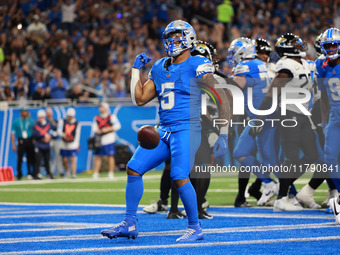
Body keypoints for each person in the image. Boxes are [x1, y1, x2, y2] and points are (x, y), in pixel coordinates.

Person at [101, 20, 229, 242]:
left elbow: (221, 98)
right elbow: (140, 98)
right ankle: (129, 223)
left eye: (177, 36)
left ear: (189, 38)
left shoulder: (198, 63)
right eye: (169, 37)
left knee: (179, 175)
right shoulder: (159, 66)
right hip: (164, 129)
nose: (172, 41)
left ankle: (194, 227)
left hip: (187, 128)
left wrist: (223, 132)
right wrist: (135, 71)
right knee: (133, 168)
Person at [252, 33, 318, 211]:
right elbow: (272, 93)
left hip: (303, 114)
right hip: (289, 114)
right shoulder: (286, 65)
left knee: (312, 155)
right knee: (291, 157)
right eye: (295, 43)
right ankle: (281, 198)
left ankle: (284, 188)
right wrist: (259, 119)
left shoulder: (302, 63)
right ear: (288, 48)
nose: (300, 45)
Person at [227, 37, 279, 207]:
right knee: (240, 152)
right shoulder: (260, 64)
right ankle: (269, 183)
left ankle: (290, 194)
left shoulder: (244, 66)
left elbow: (233, 89)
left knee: (271, 160)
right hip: (261, 117)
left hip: (262, 118)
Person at [316, 27, 340, 223]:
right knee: (329, 158)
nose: (331, 49)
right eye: (327, 46)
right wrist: (324, 121)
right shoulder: (321, 65)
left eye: (334, 45)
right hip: (334, 117)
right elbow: (323, 95)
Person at [92, 102, 121, 179]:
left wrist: (108, 129)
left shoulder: (111, 116)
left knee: (110, 156)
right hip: (100, 139)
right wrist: (98, 130)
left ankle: (111, 172)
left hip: (109, 138)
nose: (100, 108)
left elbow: (118, 126)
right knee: (98, 156)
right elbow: (94, 128)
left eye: (102, 107)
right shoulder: (97, 118)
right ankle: (96, 173)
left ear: (106, 108)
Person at [11, 108, 35, 180]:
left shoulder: (30, 121)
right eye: (23, 111)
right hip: (21, 141)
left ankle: (30, 172)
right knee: (20, 158)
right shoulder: (16, 121)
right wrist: (13, 144)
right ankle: (19, 173)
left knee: (30, 157)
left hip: (29, 140)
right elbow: (12, 133)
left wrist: (34, 141)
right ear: (21, 112)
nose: (25, 113)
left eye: (26, 111)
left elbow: (34, 131)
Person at [58, 107, 80, 178]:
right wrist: (64, 135)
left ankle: (73, 174)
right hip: (64, 143)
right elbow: (59, 131)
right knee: (65, 159)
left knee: (73, 158)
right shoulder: (62, 121)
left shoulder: (77, 123)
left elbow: (77, 134)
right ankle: (67, 172)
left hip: (72, 143)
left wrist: (76, 144)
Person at [32, 109, 53, 179]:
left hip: (46, 146)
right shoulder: (36, 125)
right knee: (37, 161)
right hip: (39, 145)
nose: (41, 118)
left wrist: (49, 137)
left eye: (42, 117)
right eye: (39, 117)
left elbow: (52, 132)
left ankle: (49, 174)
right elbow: (35, 134)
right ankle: (36, 174)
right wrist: (43, 136)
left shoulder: (48, 124)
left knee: (47, 161)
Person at [46, 107, 63, 177]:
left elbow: (59, 128)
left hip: (56, 140)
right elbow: (46, 129)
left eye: (50, 112)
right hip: (48, 140)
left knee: (58, 156)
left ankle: (60, 171)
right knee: (49, 156)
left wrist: (57, 132)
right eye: (48, 112)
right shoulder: (46, 121)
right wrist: (52, 132)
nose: (49, 113)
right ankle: (50, 172)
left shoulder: (55, 121)